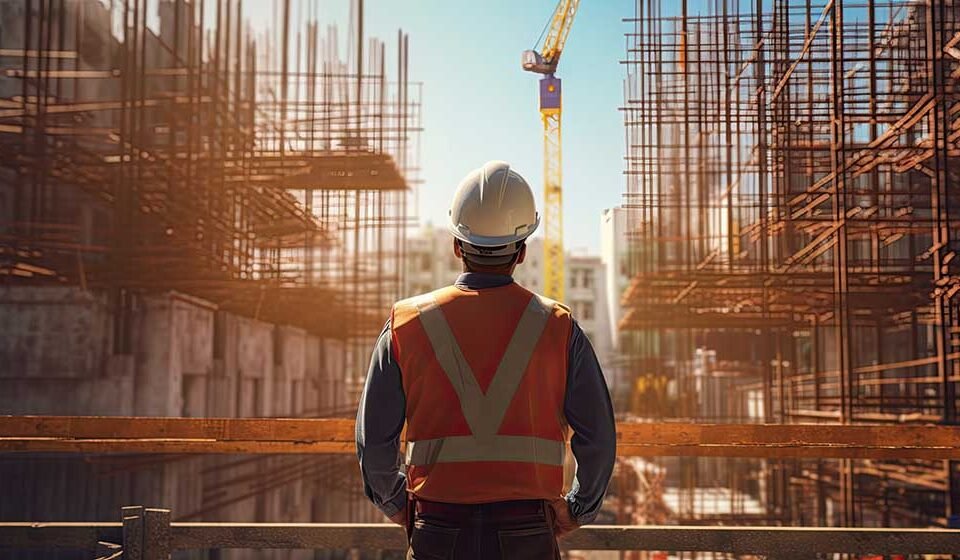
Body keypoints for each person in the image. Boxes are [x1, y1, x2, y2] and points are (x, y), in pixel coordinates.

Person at [356, 161, 616, 559]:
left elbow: (374, 440)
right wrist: (578, 508)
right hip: (528, 530)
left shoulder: (405, 325)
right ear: (523, 251)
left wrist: (397, 504)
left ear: (457, 246)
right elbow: (597, 436)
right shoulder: (559, 328)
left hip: (436, 528)